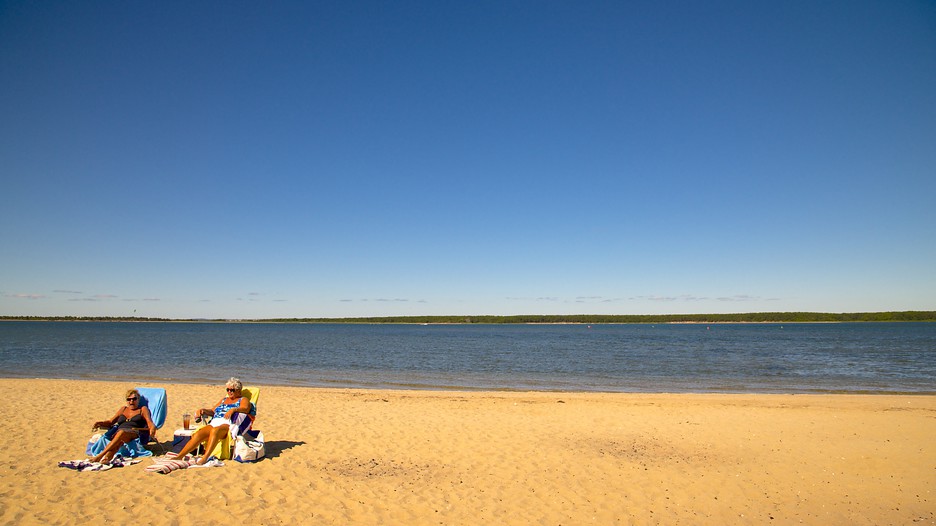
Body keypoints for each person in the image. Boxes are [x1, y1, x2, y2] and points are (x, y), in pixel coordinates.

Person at [172, 377, 254, 465]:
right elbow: (213, 411)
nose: (229, 392)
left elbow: (246, 409)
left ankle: (205, 457)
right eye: (228, 389)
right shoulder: (224, 400)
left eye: (232, 390)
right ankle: (180, 456)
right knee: (198, 434)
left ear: (238, 390)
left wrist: (234, 410)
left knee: (215, 431)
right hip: (215, 422)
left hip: (228, 424)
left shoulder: (243, 399)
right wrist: (203, 410)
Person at [90, 388, 156, 464]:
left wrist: (152, 428)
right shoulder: (123, 409)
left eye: (134, 399)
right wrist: (100, 423)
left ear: (138, 399)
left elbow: (149, 422)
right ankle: (107, 458)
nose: (131, 401)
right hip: (119, 433)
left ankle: (100, 456)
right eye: (129, 399)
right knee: (120, 440)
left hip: (133, 433)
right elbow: (111, 422)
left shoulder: (142, 409)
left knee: (121, 433)